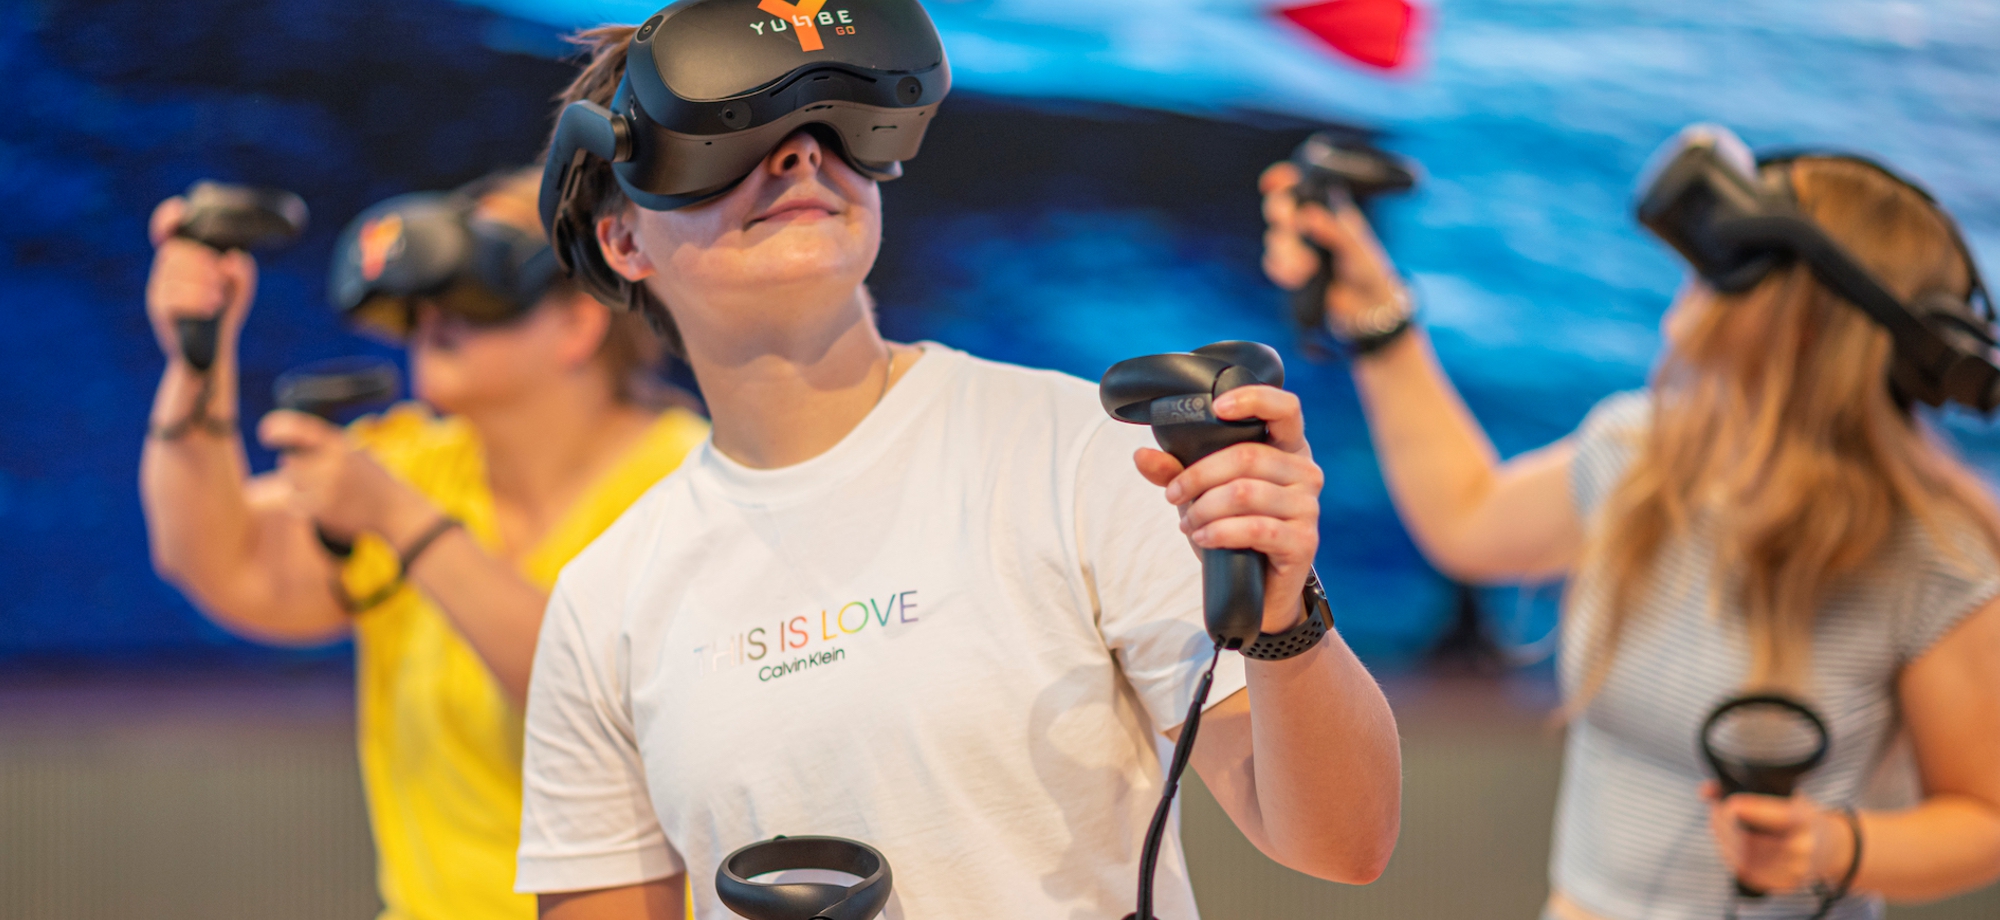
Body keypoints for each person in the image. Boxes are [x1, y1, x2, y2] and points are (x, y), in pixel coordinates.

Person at [512, 19, 1403, 920]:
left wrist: (1285, 617)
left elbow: (1341, 843)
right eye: (721, 139)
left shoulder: (1080, 455)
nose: (800, 156)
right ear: (623, 242)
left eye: (832, 123)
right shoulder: (604, 602)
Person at [1260, 132, 2000, 920]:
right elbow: (1468, 519)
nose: (1696, 274)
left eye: (1732, 259)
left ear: (1805, 321)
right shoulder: (1639, 457)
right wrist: (1373, 309)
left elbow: (1985, 816)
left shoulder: (1936, 560)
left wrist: (1833, 848)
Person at [139, 170, 709, 920]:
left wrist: (402, 523)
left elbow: (604, 702)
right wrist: (197, 362)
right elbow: (212, 555)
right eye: (429, 298)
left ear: (578, 322)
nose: (437, 316)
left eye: (479, 287)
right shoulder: (413, 468)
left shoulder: (687, 481)